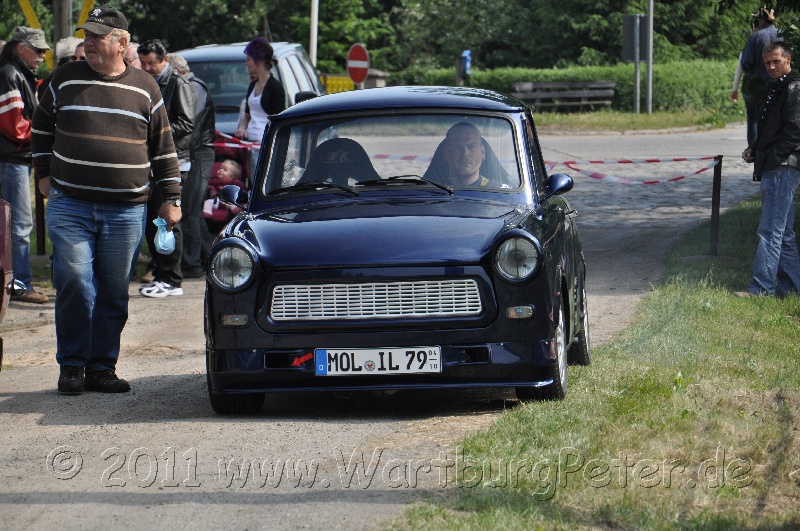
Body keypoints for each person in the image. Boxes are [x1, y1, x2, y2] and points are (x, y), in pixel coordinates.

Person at [30, 6, 181, 394]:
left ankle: (101, 367)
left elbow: (163, 147)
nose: (90, 42)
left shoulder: (145, 87)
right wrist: (44, 174)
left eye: (99, 36)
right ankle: (72, 365)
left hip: (126, 210)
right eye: (88, 35)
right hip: (70, 203)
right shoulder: (64, 78)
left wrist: (171, 198)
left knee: (113, 291)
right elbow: (41, 126)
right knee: (75, 281)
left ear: (122, 42)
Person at [739, 41, 800, 297]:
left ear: (788, 60)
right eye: (767, 63)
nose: (771, 66)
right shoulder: (779, 87)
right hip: (778, 165)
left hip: (782, 167)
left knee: (770, 231)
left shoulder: (794, 87)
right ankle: (792, 287)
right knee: (783, 233)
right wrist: (755, 149)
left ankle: (761, 288)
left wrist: (773, 158)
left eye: (776, 61)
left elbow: (795, 130)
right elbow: (772, 129)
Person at [138, 39, 196, 297]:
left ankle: (172, 279)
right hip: (153, 162)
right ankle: (161, 274)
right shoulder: (149, 84)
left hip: (174, 162)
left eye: (151, 63)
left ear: (165, 61)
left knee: (169, 220)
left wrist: (155, 133)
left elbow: (187, 123)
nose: (146, 68)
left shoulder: (178, 84)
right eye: (142, 63)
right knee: (154, 222)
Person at [0, 27, 50, 304]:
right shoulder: (10, 74)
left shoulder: (17, 74)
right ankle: (20, 285)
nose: (42, 55)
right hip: (12, 160)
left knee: (14, 225)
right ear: (21, 48)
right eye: (38, 50)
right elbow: (14, 126)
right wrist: (47, 132)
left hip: (15, 159)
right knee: (18, 225)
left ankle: (15, 284)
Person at [170, 53, 216, 277]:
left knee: (190, 209)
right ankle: (208, 258)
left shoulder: (193, 88)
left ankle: (193, 263)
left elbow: (191, 124)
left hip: (198, 152)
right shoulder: (192, 86)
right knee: (194, 211)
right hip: (196, 151)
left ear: (175, 72)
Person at [233, 37, 285, 175]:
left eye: (249, 59)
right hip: (251, 145)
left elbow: (279, 120)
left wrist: (269, 141)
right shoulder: (252, 86)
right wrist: (242, 128)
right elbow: (247, 114)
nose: (246, 63)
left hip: (266, 146)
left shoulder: (275, 88)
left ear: (259, 61)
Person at [739, 7, 781, 149]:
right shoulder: (782, 34)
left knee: (754, 119)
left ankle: (754, 151)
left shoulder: (755, 37)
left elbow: (746, 62)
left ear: (761, 19)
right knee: (775, 117)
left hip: (756, 84)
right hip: (778, 84)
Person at [204, 159, 246, 236]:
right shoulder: (213, 181)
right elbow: (210, 189)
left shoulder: (235, 183)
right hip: (216, 201)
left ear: (232, 176)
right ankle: (207, 211)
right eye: (220, 168)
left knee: (232, 202)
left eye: (225, 170)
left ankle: (235, 209)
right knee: (207, 202)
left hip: (227, 201)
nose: (221, 170)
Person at [443, 122, 489, 186]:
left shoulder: (497, 190)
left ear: (483, 152)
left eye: (471, 147)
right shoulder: (431, 188)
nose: (465, 153)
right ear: (446, 153)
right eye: (457, 148)